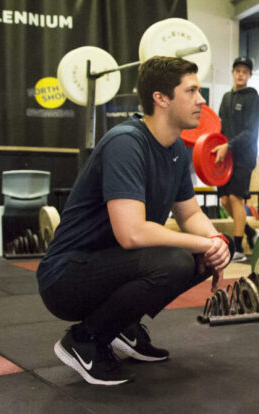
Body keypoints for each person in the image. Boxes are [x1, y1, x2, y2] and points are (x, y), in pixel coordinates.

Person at [37, 56, 231, 386]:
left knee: (202, 256)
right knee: (176, 261)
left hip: (110, 266)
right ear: (161, 98)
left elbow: (191, 214)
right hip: (66, 278)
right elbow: (132, 233)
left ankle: (122, 328)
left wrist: (217, 243)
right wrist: (202, 243)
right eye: (192, 91)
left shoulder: (176, 151)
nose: (202, 100)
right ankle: (84, 339)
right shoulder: (127, 143)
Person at [213, 56, 259, 263]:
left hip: (244, 156)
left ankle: (239, 247)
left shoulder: (252, 97)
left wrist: (229, 146)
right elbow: (219, 127)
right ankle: (250, 232)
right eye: (237, 71)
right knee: (225, 201)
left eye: (245, 71)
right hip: (226, 157)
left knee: (235, 198)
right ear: (232, 73)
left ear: (249, 75)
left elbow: (251, 131)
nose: (241, 74)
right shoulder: (226, 98)